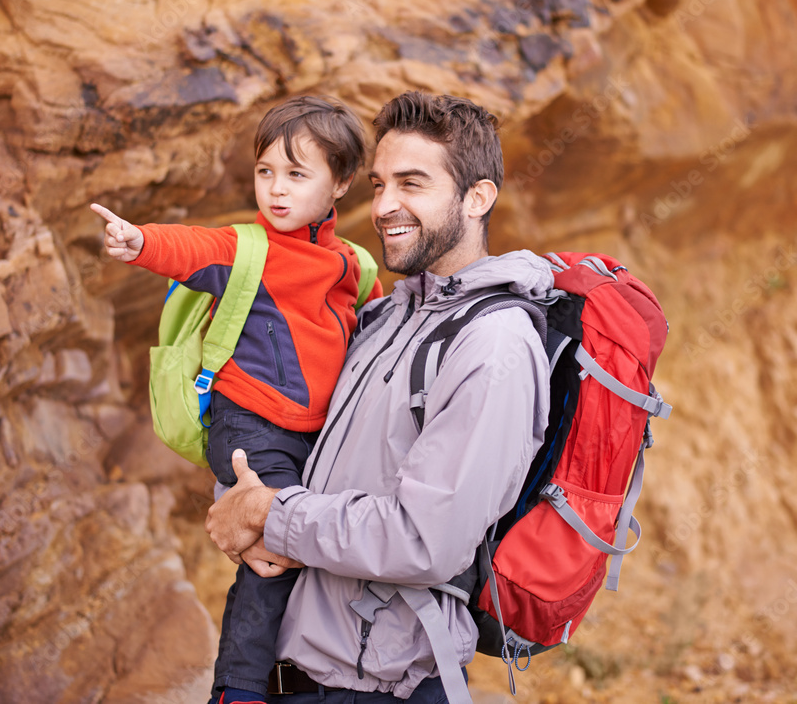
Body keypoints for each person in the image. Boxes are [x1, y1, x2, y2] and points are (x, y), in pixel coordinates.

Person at [204, 91, 553, 703]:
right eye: (379, 183)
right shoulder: (382, 318)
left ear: (478, 198)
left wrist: (270, 514)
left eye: (412, 184)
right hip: (293, 676)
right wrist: (241, 492)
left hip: (382, 687)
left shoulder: (493, 346)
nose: (385, 205)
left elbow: (424, 540)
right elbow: (290, 439)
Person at [93, 95, 384, 704]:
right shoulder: (245, 248)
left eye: (297, 175)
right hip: (249, 423)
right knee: (273, 551)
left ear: (341, 185)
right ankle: (239, 689)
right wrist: (138, 239)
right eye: (265, 172)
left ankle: (309, 677)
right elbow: (190, 248)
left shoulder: (353, 266)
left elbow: (380, 330)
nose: (276, 189)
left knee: (319, 551)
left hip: (317, 435)